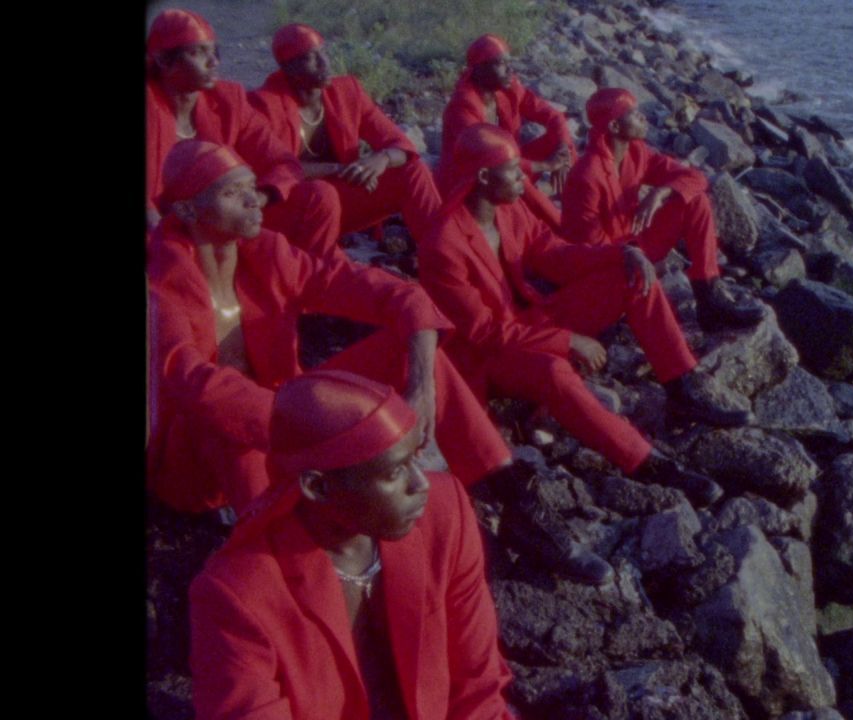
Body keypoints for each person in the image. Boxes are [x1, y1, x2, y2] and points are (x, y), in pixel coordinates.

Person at [147, 139, 511, 516]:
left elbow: (397, 295)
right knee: (226, 426)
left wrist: (421, 388)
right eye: (231, 192)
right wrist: (312, 421)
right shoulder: (161, 286)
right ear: (187, 210)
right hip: (201, 463)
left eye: (251, 186)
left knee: (410, 350)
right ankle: (273, 539)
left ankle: (505, 486)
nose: (254, 199)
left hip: (290, 426)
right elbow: (192, 382)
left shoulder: (269, 254)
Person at [419, 124, 751, 509]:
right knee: (555, 373)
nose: (523, 176)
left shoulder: (508, 212)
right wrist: (567, 341)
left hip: (528, 322)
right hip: (486, 355)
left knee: (630, 277)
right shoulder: (443, 243)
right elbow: (484, 331)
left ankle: (681, 385)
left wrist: (619, 253)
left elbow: (554, 255)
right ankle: (647, 463)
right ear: (482, 177)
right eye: (513, 170)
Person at [189, 369, 515, 720]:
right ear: (318, 488)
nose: (421, 483)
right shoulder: (237, 596)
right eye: (394, 472)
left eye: (415, 458)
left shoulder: (444, 515)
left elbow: (478, 687)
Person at [562, 88, 766, 332]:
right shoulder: (586, 175)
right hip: (606, 264)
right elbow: (586, 248)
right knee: (688, 202)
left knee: (695, 201)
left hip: (633, 243)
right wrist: (630, 256)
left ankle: (709, 298)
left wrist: (661, 193)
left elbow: (695, 177)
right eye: (634, 114)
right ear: (615, 127)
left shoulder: (636, 153)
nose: (643, 118)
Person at [145, 9, 341, 257]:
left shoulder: (229, 100)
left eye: (214, 51)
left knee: (319, 196)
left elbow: (283, 162)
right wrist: (162, 233)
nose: (214, 62)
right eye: (198, 52)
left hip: (225, 220)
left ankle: (305, 283)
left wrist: (259, 198)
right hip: (167, 229)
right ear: (163, 60)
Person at [249, 24, 442, 262]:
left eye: (324, 53)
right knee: (323, 192)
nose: (324, 63)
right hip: (295, 208)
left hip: (340, 201)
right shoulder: (264, 105)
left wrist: (380, 159)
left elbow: (400, 144)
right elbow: (272, 171)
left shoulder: (346, 91)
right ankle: (319, 274)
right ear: (288, 68)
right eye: (311, 58)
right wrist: (338, 169)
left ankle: (444, 254)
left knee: (411, 170)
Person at [437, 34, 571, 232]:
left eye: (510, 63)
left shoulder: (508, 88)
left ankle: (576, 209)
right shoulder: (463, 105)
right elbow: (490, 162)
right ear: (478, 69)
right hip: (474, 182)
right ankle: (566, 230)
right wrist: (547, 165)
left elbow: (554, 117)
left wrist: (562, 149)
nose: (510, 71)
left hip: (507, 171)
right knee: (518, 176)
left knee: (562, 144)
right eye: (500, 64)